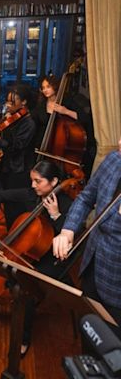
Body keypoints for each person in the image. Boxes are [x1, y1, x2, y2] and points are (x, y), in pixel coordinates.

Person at [0, 161, 73, 357]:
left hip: (52, 257)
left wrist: (56, 215)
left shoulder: (67, 204)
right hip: (25, 248)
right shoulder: (31, 194)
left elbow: (72, 238)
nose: (33, 186)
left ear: (54, 182)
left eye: (38, 181)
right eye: (32, 181)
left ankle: (23, 339)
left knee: (25, 287)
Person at [53, 137, 121, 333]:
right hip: (91, 265)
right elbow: (85, 197)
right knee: (88, 334)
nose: (119, 142)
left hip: (116, 283)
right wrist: (67, 231)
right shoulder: (113, 160)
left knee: (111, 353)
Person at [0, 84, 36, 228]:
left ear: (23, 102)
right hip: (7, 166)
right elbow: (5, 140)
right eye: (7, 101)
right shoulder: (12, 118)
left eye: (12, 102)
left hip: (19, 170)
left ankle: (14, 235)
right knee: (7, 204)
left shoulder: (28, 123)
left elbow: (17, 147)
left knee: (14, 207)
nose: (8, 105)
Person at [31, 75, 96, 179]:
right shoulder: (41, 105)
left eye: (48, 86)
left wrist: (65, 111)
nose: (45, 90)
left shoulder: (67, 100)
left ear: (55, 86)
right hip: (44, 148)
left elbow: (84, 118)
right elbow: (33, 122)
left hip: (62, 151)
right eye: (43, 88)